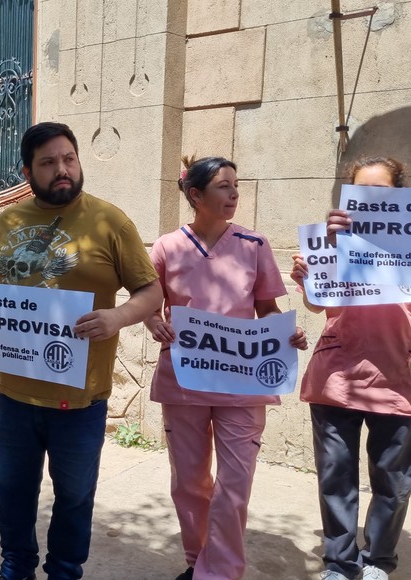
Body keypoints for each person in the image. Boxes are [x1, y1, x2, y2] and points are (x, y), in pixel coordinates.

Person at [0, 122, 163, 580]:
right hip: (14, 396)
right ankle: (16, 568)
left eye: (68, 158)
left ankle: (66, 571)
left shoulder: (111, 221)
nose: (62, 169)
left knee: (73, 497)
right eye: (48, 163)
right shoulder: (8, 222)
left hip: (80, 399)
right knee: (11, 491)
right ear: (29, 171)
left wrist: (117, 317)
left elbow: (151, 291)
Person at [146, 156, 307, 580]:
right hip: (185, 382)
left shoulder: (254, 245)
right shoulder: (166, 247)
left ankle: (219, 573)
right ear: (195, 195)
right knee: (189, 482)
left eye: (236, 185)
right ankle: (196, 561)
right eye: (223, 186)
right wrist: (153, 321)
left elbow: (269, 309)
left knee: (235, 484)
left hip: (243, 384)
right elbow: (148, 301)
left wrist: (285, 335)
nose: (234, 193)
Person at [291, 156, 411, 580]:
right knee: (335, 476)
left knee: (393, 481)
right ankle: (340, 563)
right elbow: (319, 304)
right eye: (361, 193)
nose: (370, 202)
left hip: (400, 378)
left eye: (381, 194)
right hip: (337, 377)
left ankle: (379, 560)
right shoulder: (331, 239)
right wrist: (309, 276)